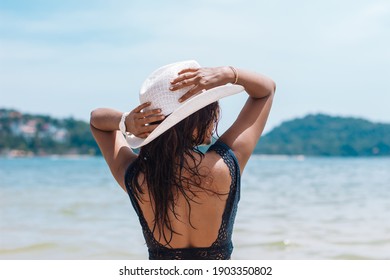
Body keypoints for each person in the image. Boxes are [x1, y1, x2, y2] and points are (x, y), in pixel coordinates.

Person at [90, 60, 275, 260]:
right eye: (209, 107)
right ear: (195, 119)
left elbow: (97, 121)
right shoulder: (224, 166)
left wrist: (125, 121)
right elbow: (266, 91)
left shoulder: (138, 177)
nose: (214, 117)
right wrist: (228, 73)